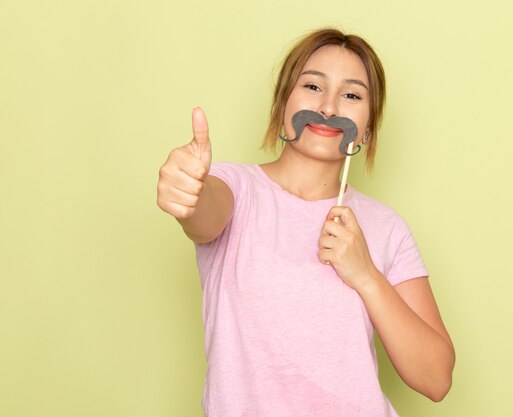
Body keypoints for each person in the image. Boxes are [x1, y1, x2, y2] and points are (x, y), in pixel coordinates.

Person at [157, 28, 455, 417]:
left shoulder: (386, 228)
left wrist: (365, 275)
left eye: (351, 94)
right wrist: (188, 194)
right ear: (283, 102)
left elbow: (436, 378)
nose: (329, 107)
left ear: (368, 126)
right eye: (313, 86)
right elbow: (205, 213)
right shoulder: (237, 188)